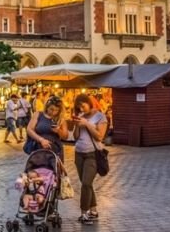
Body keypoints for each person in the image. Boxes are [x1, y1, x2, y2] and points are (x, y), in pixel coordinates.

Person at [72, 93, 109, 225]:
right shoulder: (80, 116)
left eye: (82, 105)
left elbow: (99, 136)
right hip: (79, 153)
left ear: (88, 102)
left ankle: (84, 212)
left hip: (92, 154)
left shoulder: (100, 117)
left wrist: (87, 124)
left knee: (86, 184)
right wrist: (76, 125)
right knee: (86, 183)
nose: (81, 109)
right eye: (78, 107)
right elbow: (75, 137)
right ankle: (93, 210)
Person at [26, 95, 69, 161]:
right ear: (47, 107)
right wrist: (41, 140)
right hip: (38, 149)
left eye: (56, 110)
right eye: (51, 109)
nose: (53, 112)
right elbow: (29, 129)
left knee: (53, 169)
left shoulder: (61, 119)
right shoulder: (38, 114)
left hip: (55, 150)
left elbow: (65, 137)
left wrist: (58, 131)